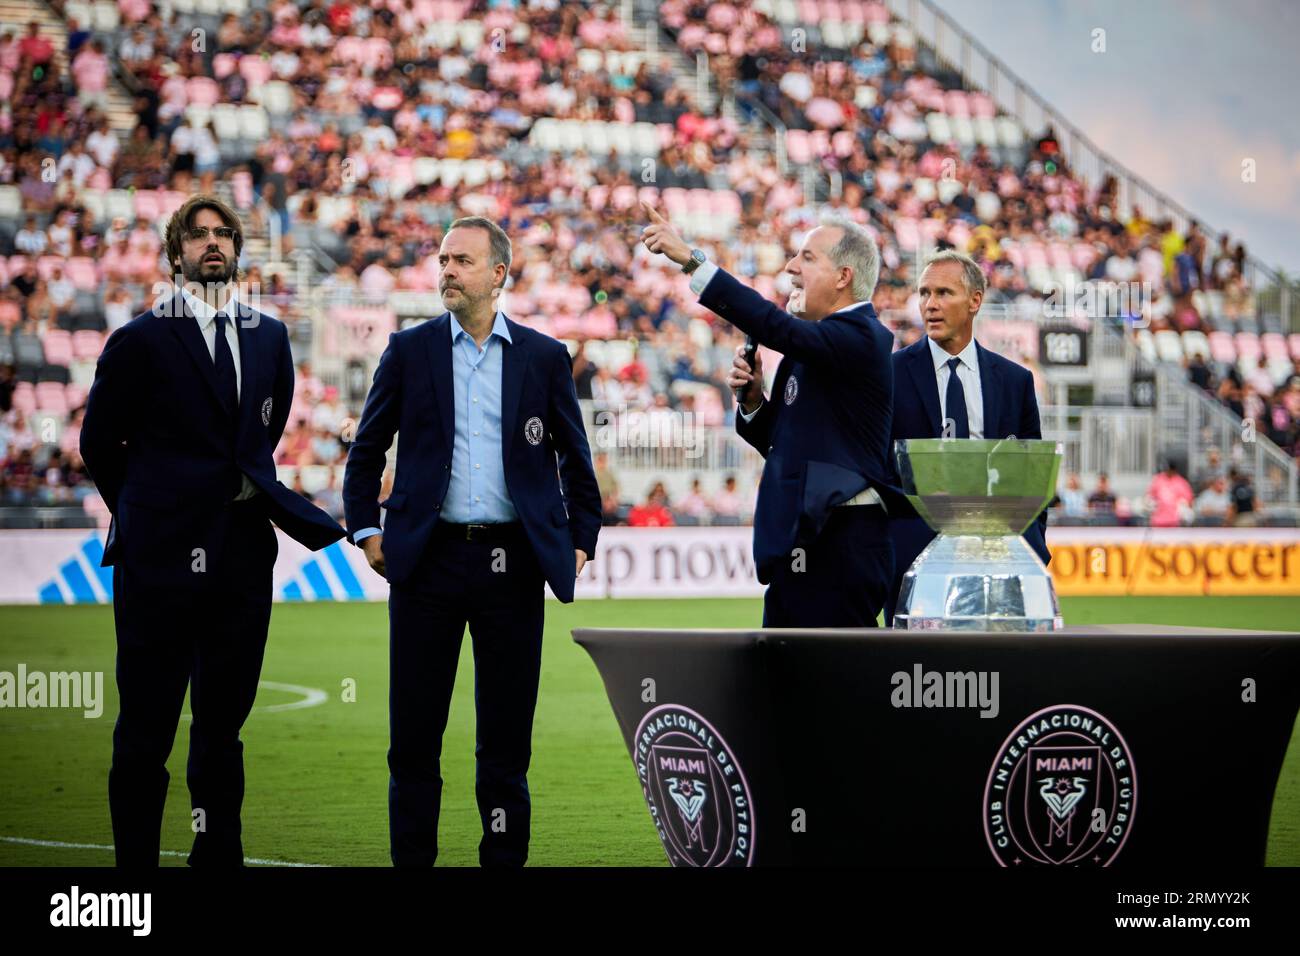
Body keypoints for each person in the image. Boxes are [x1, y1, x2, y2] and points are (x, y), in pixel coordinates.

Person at [79, 195, 345, 867]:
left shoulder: (269, 336)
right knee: (146, 726)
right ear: (176, 255)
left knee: (223, 727)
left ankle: (217, 852)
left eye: (222, 233)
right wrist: (148, 512)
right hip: (159, 559)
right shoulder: (138, 340)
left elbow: (261, 434)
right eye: (196, 236)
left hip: (242, 554)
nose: (211, 243)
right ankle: (133, 871)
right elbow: (97, 443)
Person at [343, 216, 600, 867]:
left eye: (462, 260)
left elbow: (575, 453)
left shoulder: (543, 356)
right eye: (443, 258)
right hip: (426, 564)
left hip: (514, 565)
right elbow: (367, 447)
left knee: (506, 744)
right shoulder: (409, 350)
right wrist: (367, 530)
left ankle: (503, 861)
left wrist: (582, 537)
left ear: (498, 274)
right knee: (414, 739)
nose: (447, 270)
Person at [641, 203, 906, 626]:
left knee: (836, 682)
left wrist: (693, 261)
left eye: (807, 257)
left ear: (843, 277)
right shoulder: (811, 349)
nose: (790, 266)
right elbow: (781, 444)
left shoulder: (863, 337)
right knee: (787, 683)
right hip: (799, 538)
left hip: (842, 539)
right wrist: (753, 403)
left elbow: (774, 325)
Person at [885, 251, 1050, 624]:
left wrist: (1033, 546)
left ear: (975, 300)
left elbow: (1032, 477)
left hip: (997, 562)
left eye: (944, 293)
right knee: (915, 675)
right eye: (924, 293)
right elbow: (880, 469)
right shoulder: (890, 376)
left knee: (996, 673)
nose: (930, 304)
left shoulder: (1014, 381)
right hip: (913, 567)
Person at [1146, 460, 1193, 528]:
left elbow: (1189, 500)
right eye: (1167, 470)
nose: (1168, 472)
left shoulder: (1181, 482)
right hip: (1158, 520)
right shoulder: (1158, 479)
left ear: (1174, 470)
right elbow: (1150, 496)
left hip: (1175, 521)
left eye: (1170, 470)